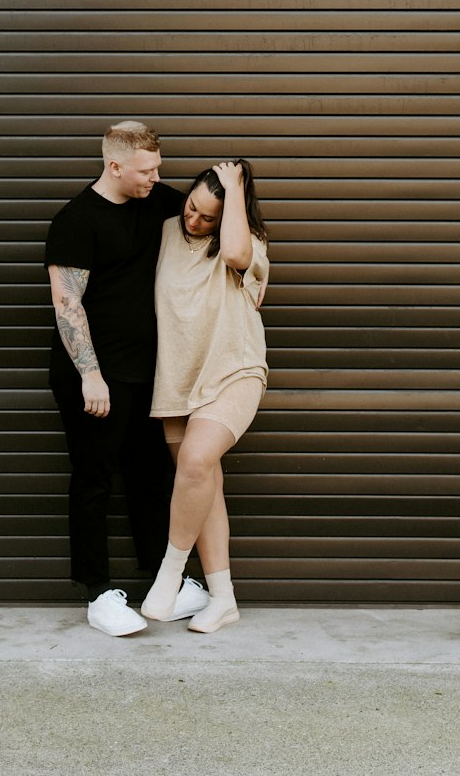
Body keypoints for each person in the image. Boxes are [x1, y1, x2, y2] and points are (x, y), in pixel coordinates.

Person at [45, 120, 210, 636]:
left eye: (157, 168)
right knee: (94, 478)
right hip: (96, 376)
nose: (156, 178)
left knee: (149, 477)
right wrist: (91, 377)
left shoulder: (157, 201)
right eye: (146, 170)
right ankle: (97, 593)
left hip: (150, 372)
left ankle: (167, 583)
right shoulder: (76, 221)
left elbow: (212, 222)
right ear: (114, 166)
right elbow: (67, 304)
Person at [141, 158, 269, 633]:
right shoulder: (167, 232)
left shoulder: (248, 245)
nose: (194, 221)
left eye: (207, 218)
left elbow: (235, 254)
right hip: (178, 378)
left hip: (232, 368)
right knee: (203, 483)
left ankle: (169, 575)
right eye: (191, 208)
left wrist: (235, 189)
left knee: (195, 462)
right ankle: (223, 599)